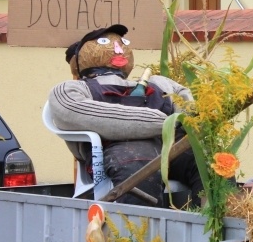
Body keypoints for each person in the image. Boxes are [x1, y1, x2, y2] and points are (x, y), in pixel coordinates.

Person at [47, 24, 203, 207]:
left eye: (123, 43)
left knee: (211, 162)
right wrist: (163, 122)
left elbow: (189, 109)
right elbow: (72, 112)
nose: (118, 48)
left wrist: (186, 120)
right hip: (118, 151)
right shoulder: (73, 89)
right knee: (137, 163)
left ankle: (214, 226)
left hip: (168, 147)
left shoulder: (158, 83)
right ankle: (139, 233)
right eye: (105, 42)